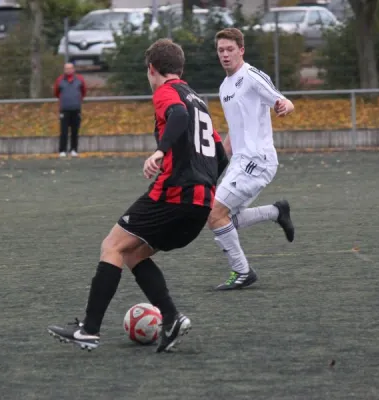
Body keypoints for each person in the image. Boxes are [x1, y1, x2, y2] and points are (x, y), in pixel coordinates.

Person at [47, 39, 229, 352]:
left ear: (152, 69)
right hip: (200, 203)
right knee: (132, 253)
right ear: (181, 68)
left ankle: (89, 330)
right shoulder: (198, 99)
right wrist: (205, 183)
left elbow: (178, 118)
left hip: (173, 194)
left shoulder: (166, 92)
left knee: (112, 246)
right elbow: (220, 156)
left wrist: (159, 152)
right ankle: (171, 318)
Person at [208, 28, 295, 291]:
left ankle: (242, 271)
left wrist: (284, 106)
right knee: (225, 219)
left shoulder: (251, 76)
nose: (225, 54)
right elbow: (236, 132)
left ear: (241, 50)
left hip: (257, 160)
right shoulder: (225, 87)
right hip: (240, 162)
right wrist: (217, 160)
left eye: (230, 49)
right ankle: (276, 212)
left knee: (214, 214)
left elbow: (283, 100)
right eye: (221, 50)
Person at [53, 63, 86, 157]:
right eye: (66, 68)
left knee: (75, 130)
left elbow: (83, 91)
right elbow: (56, 92)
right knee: (63, 131)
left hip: (76, 109)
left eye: (70, 68)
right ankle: (62, 150)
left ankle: (74, 149)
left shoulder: (80, 79)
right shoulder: (59, 80)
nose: (68, 70)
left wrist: (77, 100)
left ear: (73, 69)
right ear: (64, 70)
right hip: (64, 109)